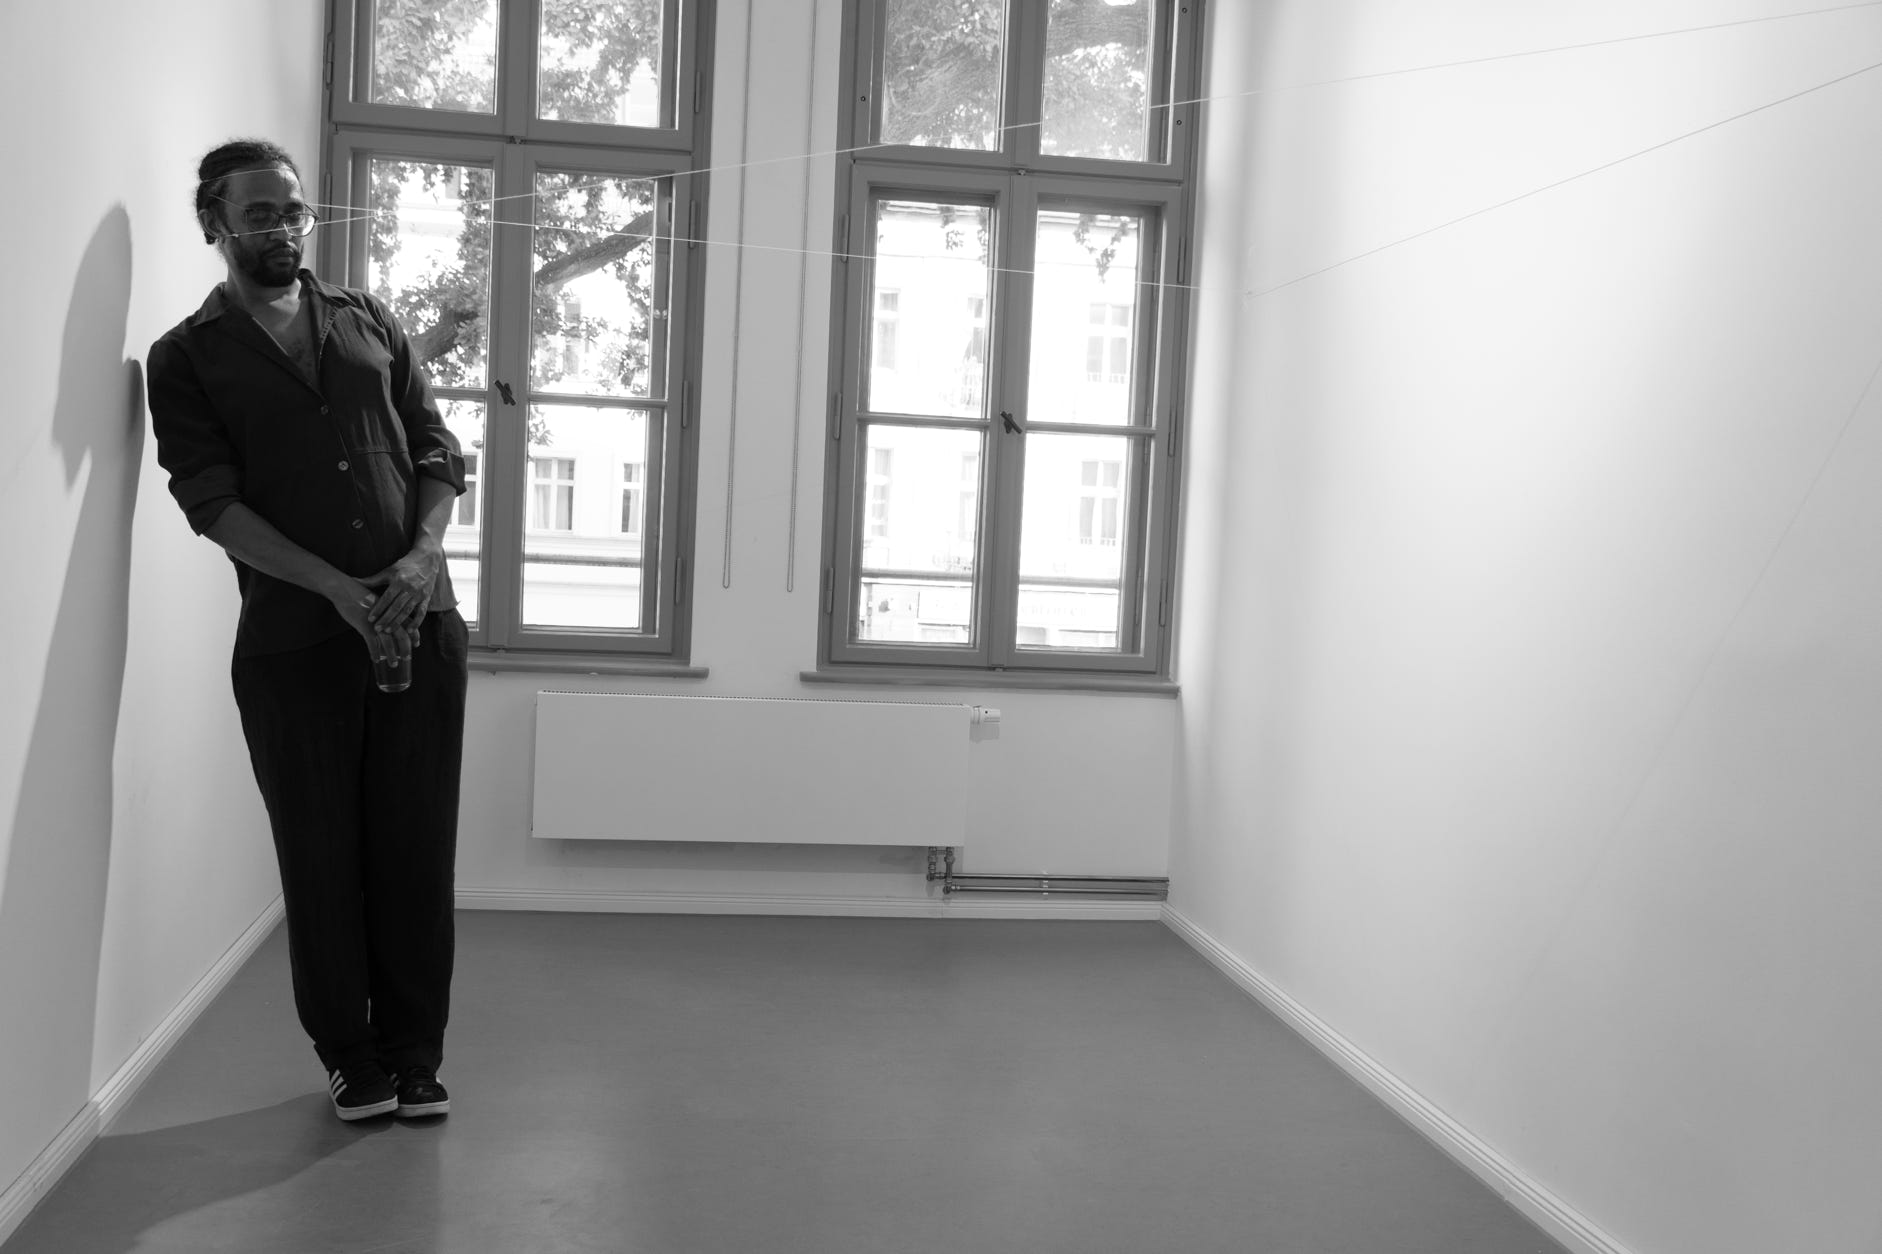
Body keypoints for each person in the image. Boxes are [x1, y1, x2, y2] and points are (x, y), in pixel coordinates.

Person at [147, 139, 469, 1122]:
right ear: (215, 223)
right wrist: (334, 588)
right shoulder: (185, 357)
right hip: (294, 641)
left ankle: (415, 1055)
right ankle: (349, 1056)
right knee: (320, 854)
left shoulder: (369, 319)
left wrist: (420, 558)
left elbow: (436, 451)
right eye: (260, 214)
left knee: (415, 853)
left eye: (293, 210)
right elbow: (210, 502)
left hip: (419, 627)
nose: (283, 228)